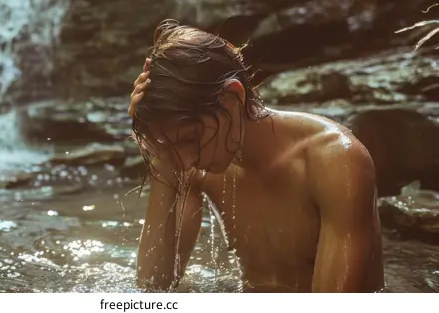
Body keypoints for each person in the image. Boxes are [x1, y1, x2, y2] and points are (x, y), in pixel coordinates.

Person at [127, 19, 384, 293]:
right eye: (174, 147)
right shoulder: (197, 164)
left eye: (190, 138)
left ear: (233, 97)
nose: (186, 160)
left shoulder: (333, 160)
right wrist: (162, 157)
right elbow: (153, 289)